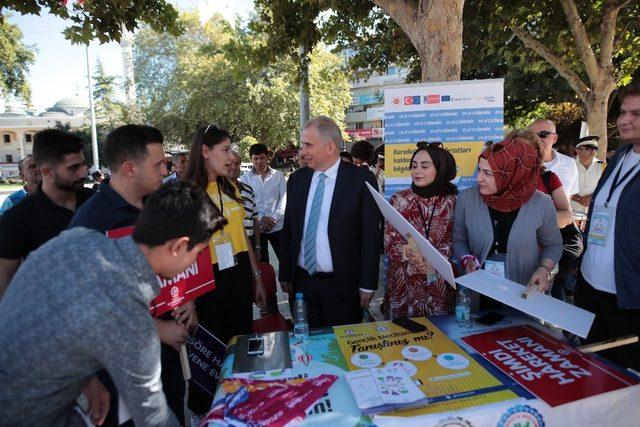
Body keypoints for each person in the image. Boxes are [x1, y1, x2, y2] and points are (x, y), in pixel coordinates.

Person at [0, 180, 225, 427]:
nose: (199, 260)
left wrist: (87, 379)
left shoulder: (78, 237)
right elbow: (153, 416)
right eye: (199, 251)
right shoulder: (128, 311)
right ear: (179, 246)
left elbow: (57, 318)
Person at [69, 124, 192, 425]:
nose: (167, 170)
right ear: (129, 168)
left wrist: (187, 300)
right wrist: (158, 330)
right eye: (159, 164)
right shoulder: (90, 223)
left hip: (168, 363)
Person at [279, 116, 381, 327]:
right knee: (307, 348)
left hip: (343, 286)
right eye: (301, 145)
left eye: (308, 145)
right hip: (302, 285)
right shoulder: (297, 180)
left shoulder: (361, 180)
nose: (302, 152)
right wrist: (285, 273)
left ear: (330, 146)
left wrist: (368, 284)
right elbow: (290, 229)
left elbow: (370, 235)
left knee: (343, 351)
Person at [576, 82, 640, 370]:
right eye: (623, 112)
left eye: (636, 114)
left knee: (628, 381)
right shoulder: (619, 159)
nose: (625, 120)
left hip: (628, 298)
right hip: (591, 286)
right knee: (595, 370)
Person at [453, 137, 562, 297]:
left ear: (511, 174)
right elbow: (459, 240)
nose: (479, 178)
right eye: (479, 170)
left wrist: (543, 269)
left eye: (488, 173)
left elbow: (553, 245)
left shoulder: (541, 203)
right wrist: (466, 259)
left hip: (523, 293)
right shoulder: (467, 199)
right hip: (477, 293)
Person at [0, 129, 92, 298]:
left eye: (83, 164)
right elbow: (5, 278)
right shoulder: (17, 218)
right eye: (73, 168)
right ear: (47, 172)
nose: (83, 173)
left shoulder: (95, 202)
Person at [384, 142, 457, 319]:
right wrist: (407, 252)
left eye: (425, 166)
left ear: (440, 169)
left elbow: (455, 241)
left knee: (441, 337)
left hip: (437, 283)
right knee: (403, 339)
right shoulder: (399, 200)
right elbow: (389, 242)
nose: (417, 171)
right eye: (414, 166)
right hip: (404, 285)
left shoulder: (452, 201)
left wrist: (434, 259)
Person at [239, 143, 286, 263]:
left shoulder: (278, 176)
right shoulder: (244, 179)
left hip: (277, 226)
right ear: (251, 159)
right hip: (257, 229)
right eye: (256, 158)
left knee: (286, 261)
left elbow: (284, 200)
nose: (259, 161)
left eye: (262, 158)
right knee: (262, 263)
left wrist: (273, 219)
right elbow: (245, 205)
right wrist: (261, 218)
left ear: (267, 158)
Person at [527, 119, 579, 197]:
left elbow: (570, 194)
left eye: (543, 134)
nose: (537, 139)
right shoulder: (519, 164)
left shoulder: (569, 163)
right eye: (532, 136)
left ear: (555, 138)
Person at [228, 150, 260, 254]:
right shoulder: (217, 191)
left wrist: (258, 247)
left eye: (236, 163)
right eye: (229, 163)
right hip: (228, 247)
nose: (233, 167)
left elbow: (255, 220)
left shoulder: (248, 190)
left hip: (248, 246)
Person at [571, 136, 604, 214]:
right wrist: (578, 199)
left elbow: (606, 188)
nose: (593, 152)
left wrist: (591, 196)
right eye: (588, 149)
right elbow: (562, 186)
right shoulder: (570, 165)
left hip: (593, 212)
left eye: (595, 149)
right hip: (572, 212)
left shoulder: (603, 167)